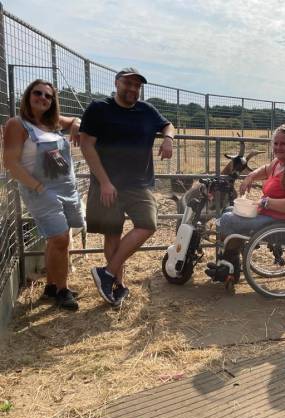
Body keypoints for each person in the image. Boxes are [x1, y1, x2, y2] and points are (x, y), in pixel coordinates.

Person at [79, 67, 174, 306]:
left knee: (148, 224)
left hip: (139, 184)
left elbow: (168, 125)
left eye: (137, 85)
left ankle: (106, 273)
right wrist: (104, 182)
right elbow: (87, 145)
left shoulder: (146, 110)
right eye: (128, 84)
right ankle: (117, 285)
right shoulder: (99, 109)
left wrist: (168, 139)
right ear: (116, 83)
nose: (133, 89)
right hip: (106, 184)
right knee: (112, 233)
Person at [3, 79, 84, 310]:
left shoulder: (53, 122)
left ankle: (50, 286)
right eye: (38, 93)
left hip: (66, 188)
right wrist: (39, 188)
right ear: (28, 96)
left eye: (48, 96)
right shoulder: (17, 125)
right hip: (40, 190)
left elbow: (75, 120)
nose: (43, 98)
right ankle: (62, 290)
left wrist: (76, 124)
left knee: (59, 238)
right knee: (60, 239)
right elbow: (10, 162)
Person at [219, 124, 285, 237]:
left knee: (227, 219)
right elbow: (265, 169)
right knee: (228, 209)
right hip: (270, 216)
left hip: (282, 223)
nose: (278, 147)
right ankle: (232, 249)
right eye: (276, 143)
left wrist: (265, 202)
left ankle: (230, 254)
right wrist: (251, 176)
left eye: (283, 144)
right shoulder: (278, 162)